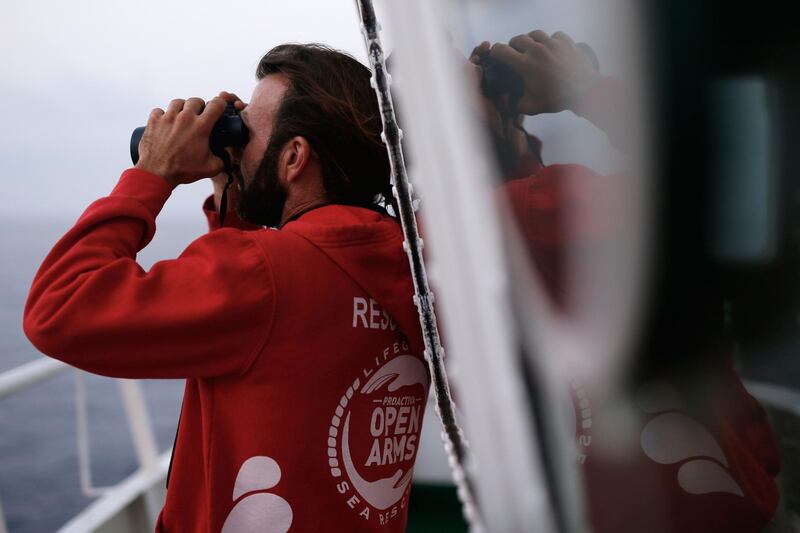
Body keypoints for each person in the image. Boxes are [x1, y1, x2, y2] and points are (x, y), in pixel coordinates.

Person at [23, 43, 429, 532]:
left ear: (295, 157)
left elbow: (59, 308)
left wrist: (151, 175)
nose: (234, 148)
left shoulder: (262, 275)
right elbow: (283, 323)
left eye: (248, 132)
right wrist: (236, 194)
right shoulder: (412, 263)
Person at [476, 29, 782, 533]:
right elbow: (732, 187)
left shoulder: (483, 228)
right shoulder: (537, 208)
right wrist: (585, 89)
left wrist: (509, 128)